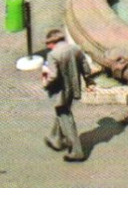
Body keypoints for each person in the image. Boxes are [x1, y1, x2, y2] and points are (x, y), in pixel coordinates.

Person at [41, 28, 91, 161]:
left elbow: (53, 75)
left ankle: (76, 151)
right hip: (73, 89)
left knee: (65, 117)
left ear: (54, 41)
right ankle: (55, 139)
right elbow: (86, 68)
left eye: (48, 43)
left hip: (60, 92)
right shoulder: (76, 49)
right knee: (62, 113)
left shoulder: (53, 55)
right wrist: (88, 81)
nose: (48, 46)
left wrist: (45, 82)